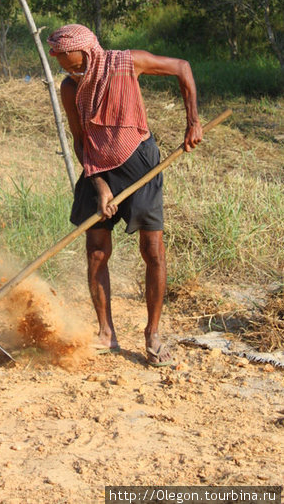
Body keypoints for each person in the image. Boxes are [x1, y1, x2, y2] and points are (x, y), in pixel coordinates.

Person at [48, 24, 203, 366]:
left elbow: (183, 68)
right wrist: (100, 186)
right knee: (96, 251)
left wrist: (193, 121)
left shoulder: (128, 62)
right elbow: (79, 139)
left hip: (140, 164)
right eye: (67, 69)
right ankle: (106, 334)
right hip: (96, 168)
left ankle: (153, 335)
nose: (75, 73)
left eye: (77, 65)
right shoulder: (70, 88)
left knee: (153, 251)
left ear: (90, 52)